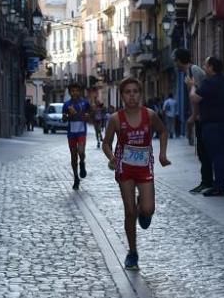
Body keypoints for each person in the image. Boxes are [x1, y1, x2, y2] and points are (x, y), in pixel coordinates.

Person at [103, 77, 171, 270]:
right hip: (124, 168)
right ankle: (132, 253)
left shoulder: (149, 115)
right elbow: (106, 143)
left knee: (148, 209)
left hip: (144, 167)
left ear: (140, 94)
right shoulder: (116, 119)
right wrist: (111, 157)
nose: (132, 95)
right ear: (122, 95)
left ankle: (144, 208)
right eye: (127, 92)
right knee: (129, 211)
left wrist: (162, 154)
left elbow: (163, 131)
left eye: (135, 91)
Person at [190, 56, 224, 197]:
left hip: (214, 125)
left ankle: (219, 186)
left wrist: (192, 86)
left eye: (206, 65)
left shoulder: (209, 82)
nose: (204, 68)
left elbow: (195, 98)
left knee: (217, 155)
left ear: (211, 67)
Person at [174, 48, 212, 192]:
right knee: (201, 150)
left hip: (203, 116)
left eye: (176, 60)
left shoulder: (194, 70)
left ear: (179, 60)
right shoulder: (189, 72)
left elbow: (198, 94)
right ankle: (206, 181)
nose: (175, 64)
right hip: (200, 116)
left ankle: (208, 181)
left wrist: (194, 115)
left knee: (204, 150)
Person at [63, 82, 91, 190]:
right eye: (73, 91)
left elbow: (90, 114)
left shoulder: (85, 103)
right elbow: (64, 119)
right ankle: (76, 178)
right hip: (71, 133)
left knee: (81, 151)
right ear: (70, 92)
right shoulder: (66, 104)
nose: (75, 93)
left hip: (81, 131)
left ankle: (82, 162)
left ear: (80, 92)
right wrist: (69, 115)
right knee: (73, 156)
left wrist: (88, 115)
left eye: (77, 90)